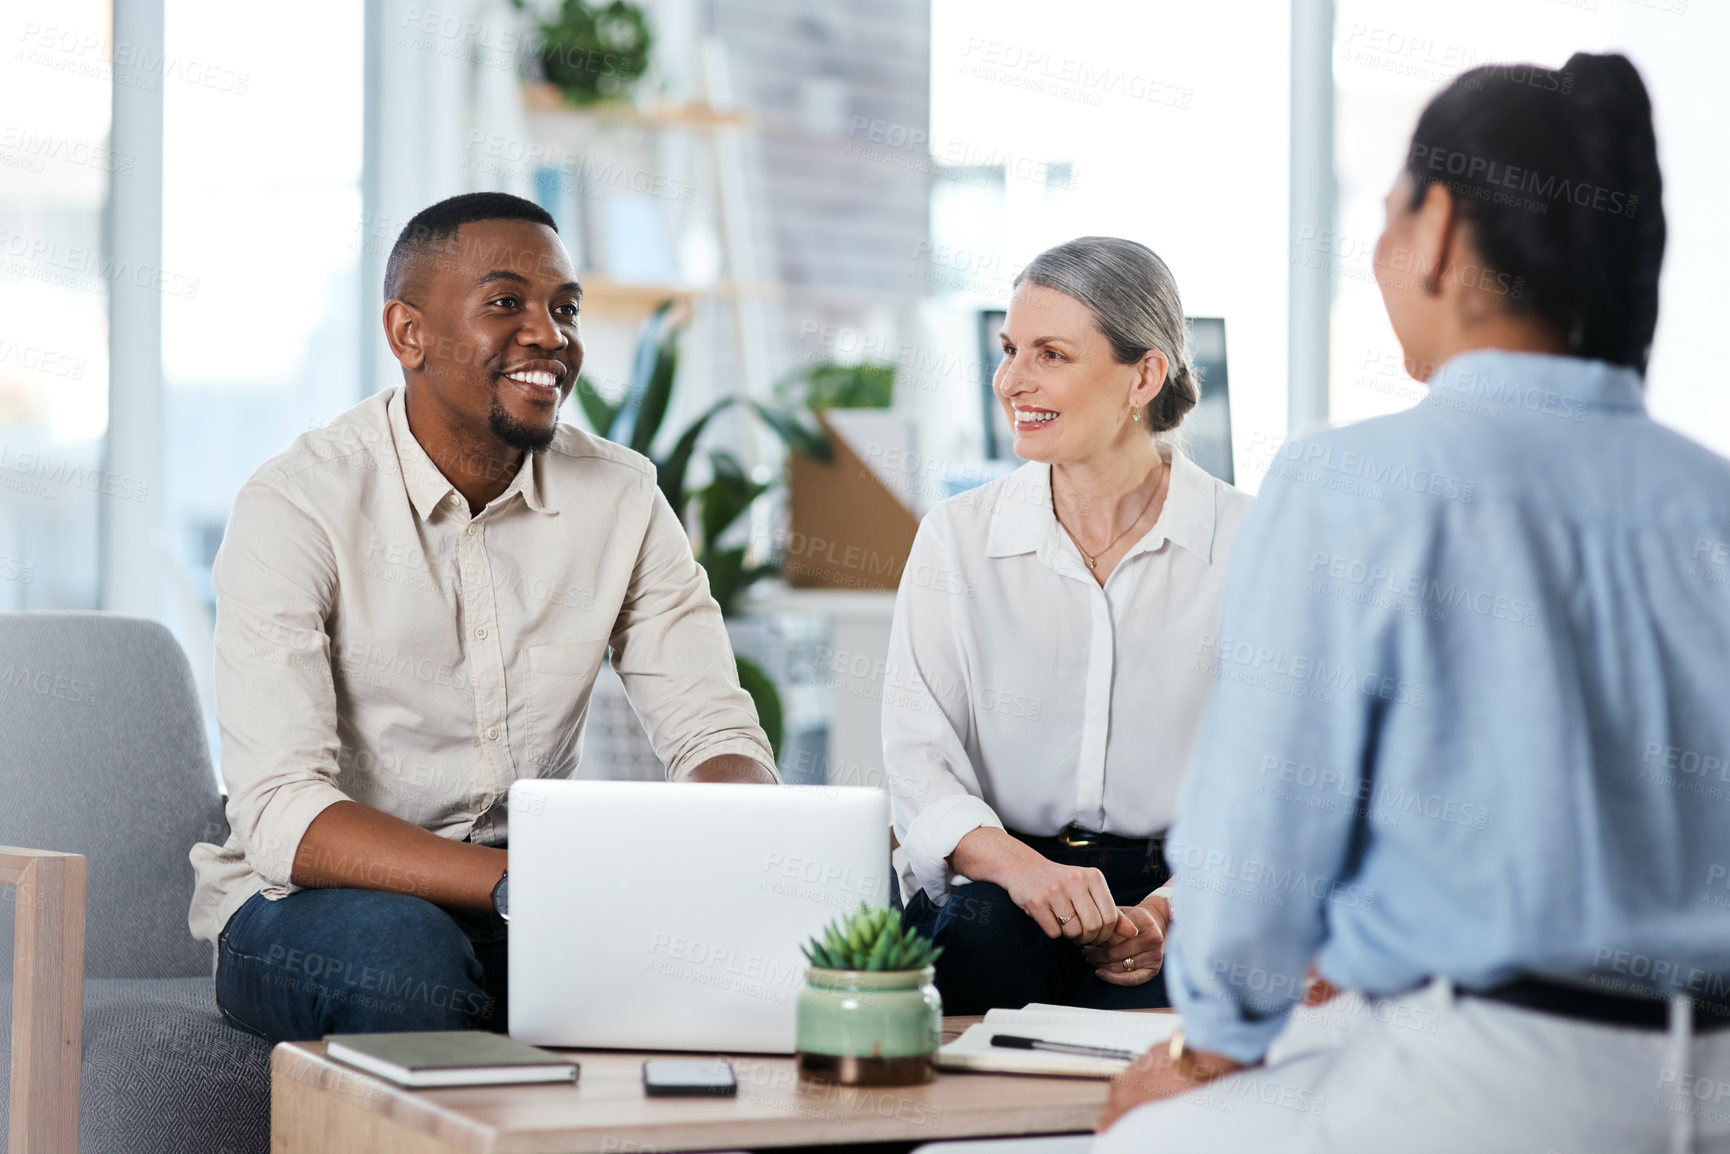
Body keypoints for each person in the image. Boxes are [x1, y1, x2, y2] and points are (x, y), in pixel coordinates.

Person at [1099, 54, 1730, 1154]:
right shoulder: (1709, 499)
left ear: (1435, 228)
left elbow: (1256, 854)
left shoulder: (1349, 483)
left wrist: (1201, 1052)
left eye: (1386, 217)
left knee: (1127, 1134)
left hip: (1490, 1086)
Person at [189, 193, 777, 1044]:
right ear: (408, 333)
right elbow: (283, 810)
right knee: (406, 959)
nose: (549, 334)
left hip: (525, 898)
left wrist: (730, 858)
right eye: (507, 303)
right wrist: (517, 882)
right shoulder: (297, 506)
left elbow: (714, 733)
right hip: (308, 909)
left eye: (564, 308)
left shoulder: (623, 497)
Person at [885, 237, 1252, 1014]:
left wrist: (1161, 912)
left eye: (1050, 354)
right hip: (1005, 879)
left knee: (1191, 991)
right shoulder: (957, 536)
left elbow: (1275, 783)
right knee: (976, 938)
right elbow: (921, 765)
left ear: (1144, 377)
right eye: (1010, 350)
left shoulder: (1252, 544)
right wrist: (1025, 872)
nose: (1012, 381)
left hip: (1186, 886)